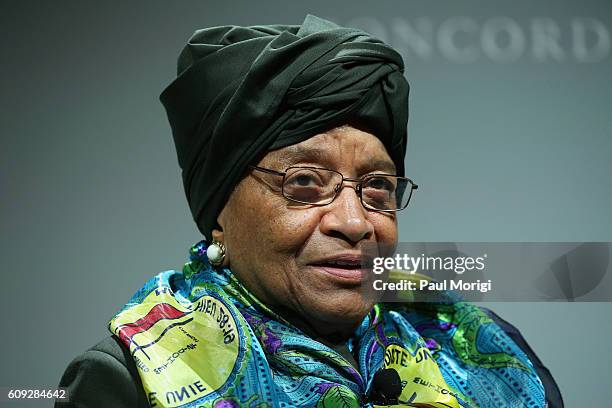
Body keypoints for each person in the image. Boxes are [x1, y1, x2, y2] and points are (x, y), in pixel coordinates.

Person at [56, 15, 563, 408]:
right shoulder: (128, 377)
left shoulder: (486, 348)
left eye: (378, 187)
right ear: (219, 216)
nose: (355, 222)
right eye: (304, 183)